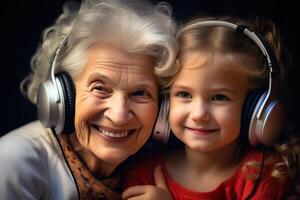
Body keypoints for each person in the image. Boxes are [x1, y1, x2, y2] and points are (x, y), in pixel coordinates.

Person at [0, 0, 179, 199]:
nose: (119, 116)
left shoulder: (160, 171)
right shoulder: (13, 161)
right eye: (100, 88)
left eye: (140, 93)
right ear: (62, 94)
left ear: (163, 107)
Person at [122, 16, 297, 200]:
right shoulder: (142, 174)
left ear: (254, 109)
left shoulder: (266, 176)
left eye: (219, 97)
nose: (199, 114)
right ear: (165, 102)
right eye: (184, 94)